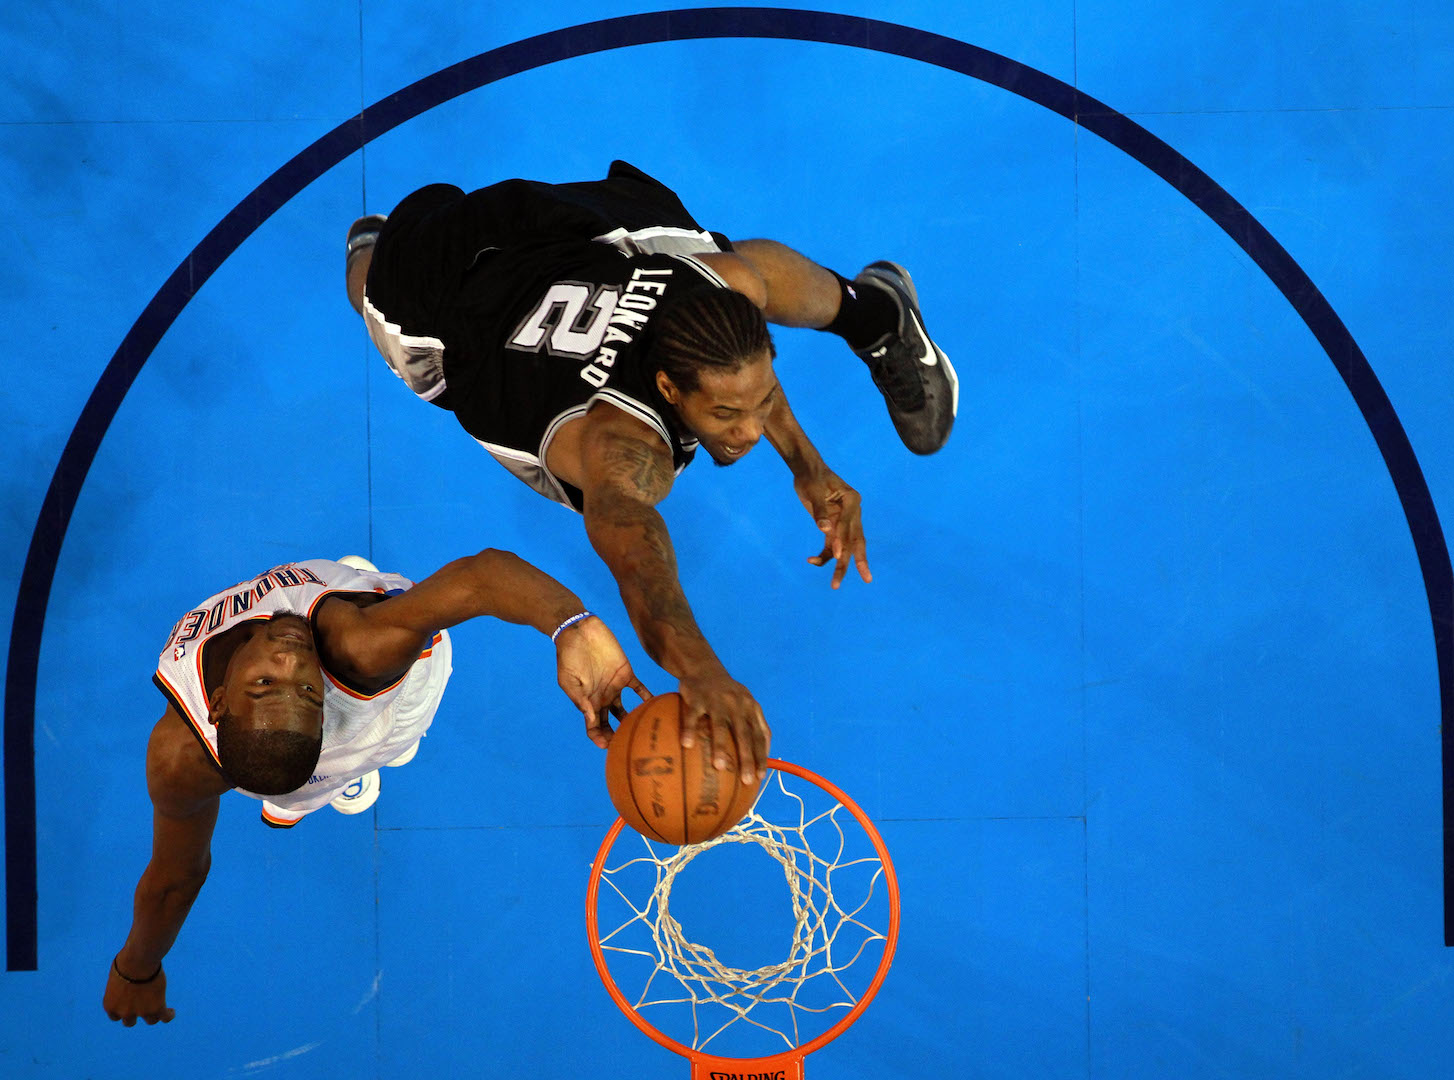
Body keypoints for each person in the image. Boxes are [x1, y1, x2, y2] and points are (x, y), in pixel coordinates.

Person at [345, 160, 957, 789]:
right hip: (450, 288)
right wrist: (702, 672)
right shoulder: (623, 444)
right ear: (667, 387)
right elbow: (637, 556)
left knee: (740, 270)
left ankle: (876, 314)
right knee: (371, 293)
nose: (748, 432)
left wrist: (809, 467)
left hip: (573, 239)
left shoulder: (714, 304)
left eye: (757, 403)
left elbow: (744, 375)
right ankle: (373, 243)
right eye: (722, 415)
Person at [104, 551, 644, 1027]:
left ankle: (352, 755)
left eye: (275, 683)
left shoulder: (354, 649)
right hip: (351, 705)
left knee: (345, 752)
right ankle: (337, 766)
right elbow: (176, 879)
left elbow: (484, 577)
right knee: (306, 770)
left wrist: (572, 625)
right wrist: (138, 966)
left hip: (385, 681)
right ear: (216, 706)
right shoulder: (345, 660)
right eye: (277, 686)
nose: (291, 661)